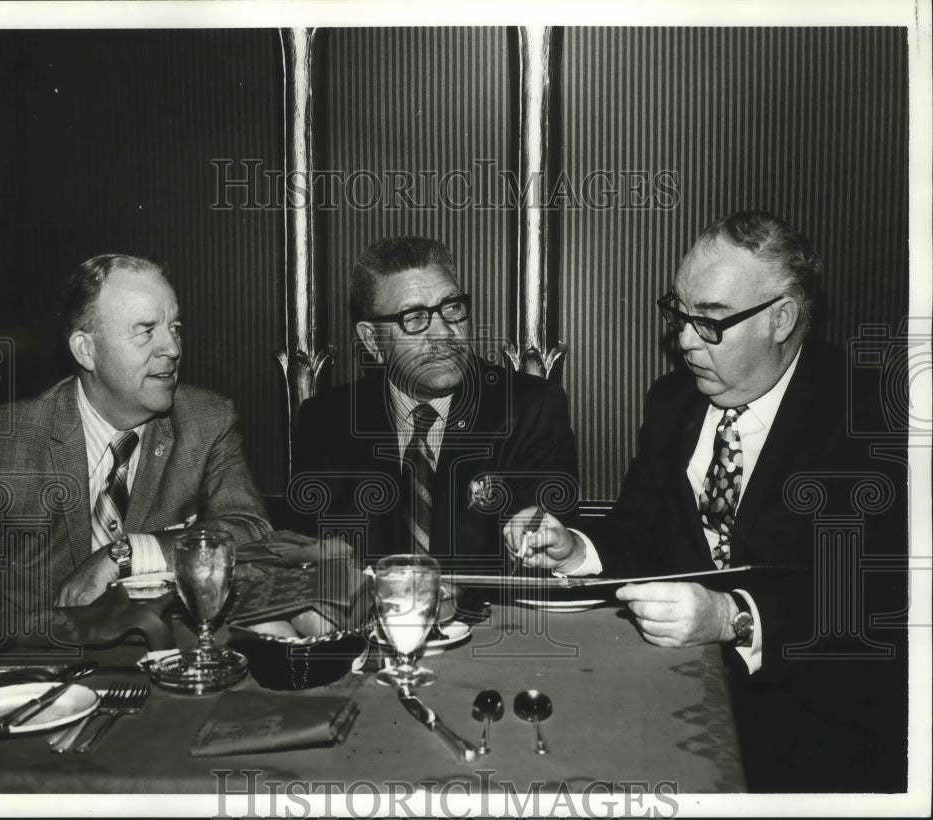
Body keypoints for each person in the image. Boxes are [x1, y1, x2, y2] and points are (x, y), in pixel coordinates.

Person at [504, 211, 907, 792]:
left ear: (781, 319)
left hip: (819, 739)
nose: (686, 339)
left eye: (711, 321)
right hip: (672, 704)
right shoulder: (672, 403)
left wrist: (730, 616)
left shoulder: (869, 417)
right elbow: (639, 533)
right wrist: (574, 548)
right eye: (679, 313)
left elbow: (869, 597)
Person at [0, 254, 272, 640]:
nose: (172, 348)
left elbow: (252, 532)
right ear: (85, 350)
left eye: (174, 327)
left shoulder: (206, 421)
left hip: (165, 663)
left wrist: (124, 555)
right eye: (146, 330)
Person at [290, 236, 578, 571]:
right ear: (372, 340)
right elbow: (309, 564)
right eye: (413, 317)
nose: (443, 333)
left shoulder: (530, 409)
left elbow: (543, 551)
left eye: (452, 307)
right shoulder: (325, 422)